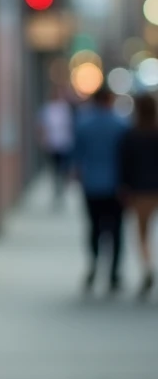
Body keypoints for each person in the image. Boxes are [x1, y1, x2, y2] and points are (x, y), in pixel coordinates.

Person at [71, 85, 128, 293]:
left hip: (92, 184)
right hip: (117, 186)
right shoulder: (121, 124)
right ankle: (113, 274)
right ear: (110, 100)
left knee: (94, 227)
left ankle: (94, 264)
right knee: (116, 230)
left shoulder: (84, 124)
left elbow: (76, 156)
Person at [119, 93, 158, 297]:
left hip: (140, 191)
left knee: (142, 234)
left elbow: (125, 165)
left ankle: (148, 267)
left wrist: (124, 188)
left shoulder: (131, 135)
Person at [37, 86, 75, 210]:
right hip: (52, 145)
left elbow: (71, 126)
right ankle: (57, 189)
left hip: (64, 144)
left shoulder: (65, 109)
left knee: (63, 169)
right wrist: (42, 140)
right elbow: (41, 126)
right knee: (55, 169)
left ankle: (61, 189)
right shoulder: (47, 109)